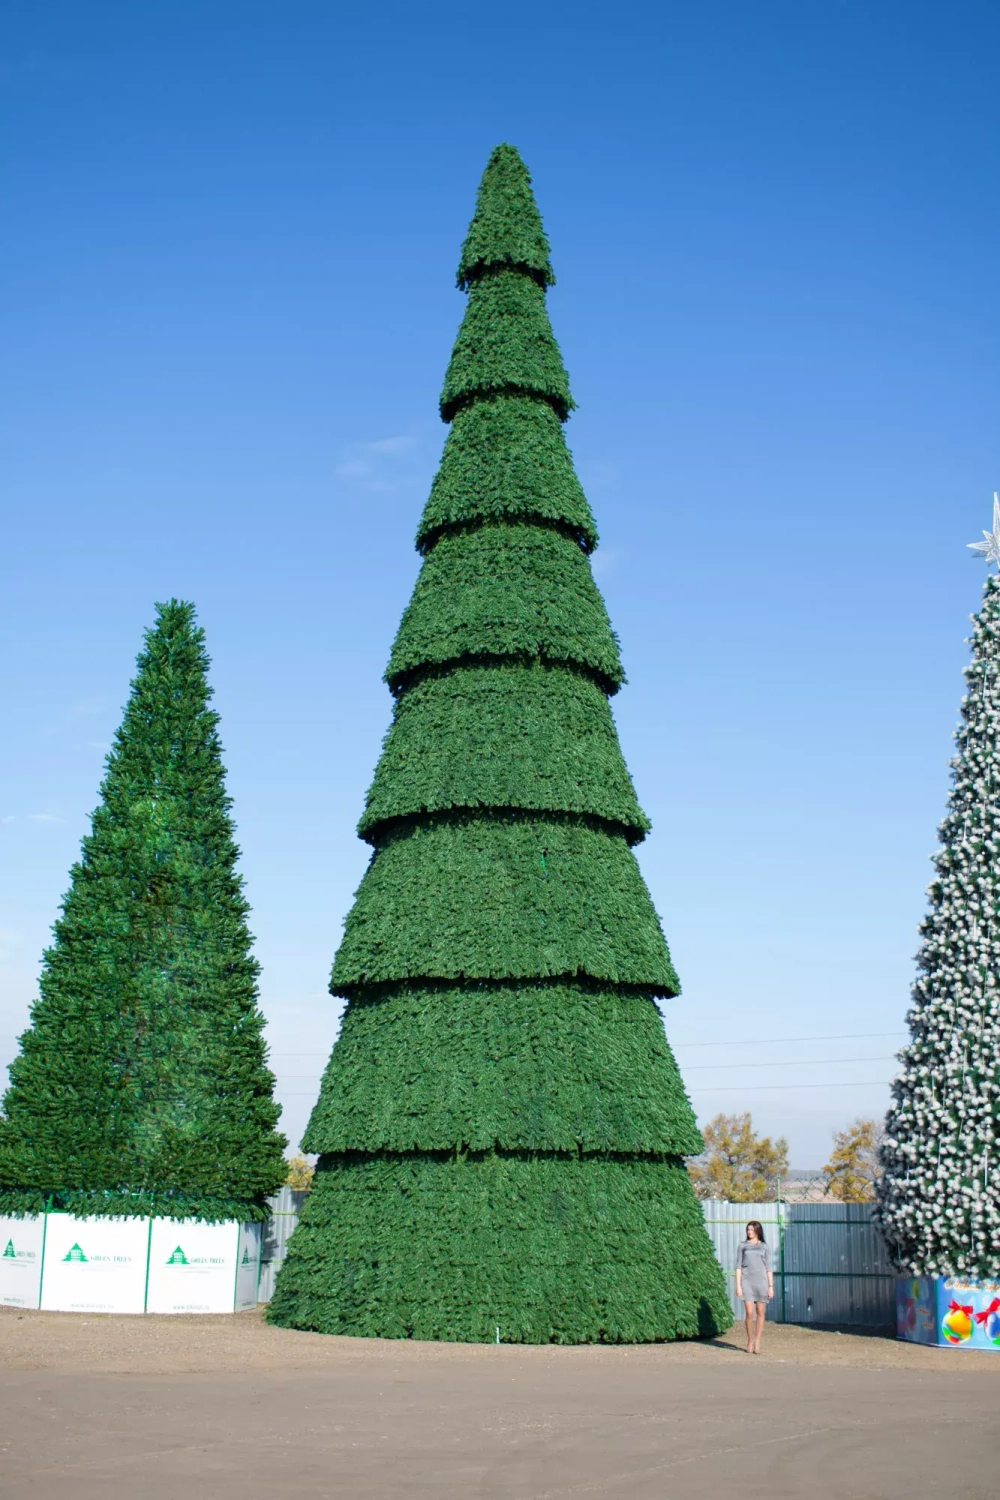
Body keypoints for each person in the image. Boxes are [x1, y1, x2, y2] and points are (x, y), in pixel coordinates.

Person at [735, 1220, 773, 1354]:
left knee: (760, 1312)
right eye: (748, 1230)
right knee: (749, 1312)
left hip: (761, 1282)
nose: (749, 1232)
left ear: (758, 1231)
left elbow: (769, 1267)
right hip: (747, 1282)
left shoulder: (764, 1247)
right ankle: (750, 1340)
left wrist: (770, 1286)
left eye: (752, 1230)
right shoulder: (742, 1246)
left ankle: (758, 1340)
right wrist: (738, 1286)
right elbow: (738, 1267)